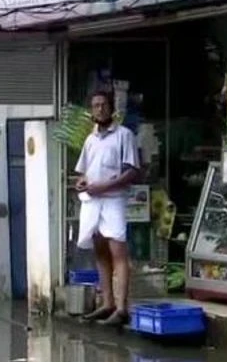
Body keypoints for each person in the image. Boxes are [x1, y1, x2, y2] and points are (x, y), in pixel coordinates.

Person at [74, 90, 140, 326]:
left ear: (111, 108)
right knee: (100, 251)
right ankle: (107, 303)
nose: (100, 109)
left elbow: (132, 172)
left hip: (113, 200)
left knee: (118, 251)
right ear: (91, 111)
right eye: (95, 105)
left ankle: (122, 308)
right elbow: (84, 172)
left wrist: (105, 186)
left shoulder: (124, 135)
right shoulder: (90, 140)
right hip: (93, 202)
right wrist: (82, 182)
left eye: (103, 104)